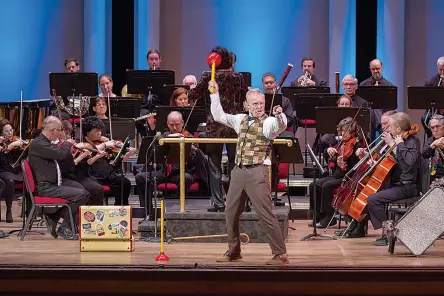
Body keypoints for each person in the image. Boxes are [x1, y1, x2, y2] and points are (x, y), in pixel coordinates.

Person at [209, 80, 289, 265]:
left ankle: (280, 254)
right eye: (255, 104)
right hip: (238, 171)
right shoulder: (240, 119)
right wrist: (215, 93)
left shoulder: (268, 122)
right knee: (230, 212)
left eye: (261, 103)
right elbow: (218, 115)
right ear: (247, 105)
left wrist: (279, 115)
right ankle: (234, 250)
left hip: (257, 171)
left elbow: (280, 126)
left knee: (265, 213)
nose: (259, 107)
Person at [188, 46, 248, 212]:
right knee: (235, 165)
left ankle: (218, 203)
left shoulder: (208, 76)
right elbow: (245, 97)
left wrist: (194, 89)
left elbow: (193, 96)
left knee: (214, 165)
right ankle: (236, 202)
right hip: (234, 126)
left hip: (214, 126)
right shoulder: (238, 77)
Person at [346, 112, 420, 246]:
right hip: (395, 183)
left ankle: (389, 232)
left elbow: (409, 164)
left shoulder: (411, 141)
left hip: (407, 186)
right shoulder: (399, 140)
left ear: (398, 129)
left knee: (373, 199)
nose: (388, 129)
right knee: (364, 194)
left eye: (390, 126)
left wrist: (397, 145)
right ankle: (365, 224)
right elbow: (393, 162)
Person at [135, 111, 208, 217]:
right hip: (164, 172)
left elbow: (194, 161)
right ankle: (148, 213)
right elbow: (153, 152)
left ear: (182, 123)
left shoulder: (189, 137)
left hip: (182, 172)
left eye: (177, 124)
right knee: (140, 177)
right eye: (171, 124)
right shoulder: (163, 136)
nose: (174, 127)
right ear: (168, 124)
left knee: (185, 178)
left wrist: (190, 148)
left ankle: (178, 211)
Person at [28, 116, 90, 240]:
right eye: (60, 130)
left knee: (83, 192)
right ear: (52, 129)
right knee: (81, 195)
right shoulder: (39, 143)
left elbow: (65, 160)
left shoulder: (45, 143)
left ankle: (55, 216)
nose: (61, 133)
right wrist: (67, 143)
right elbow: (60, 154)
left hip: (53, 184)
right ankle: (64, 227)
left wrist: (72, 149)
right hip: (45, 187)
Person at [309, 117, 362, 228]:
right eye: (342, 130)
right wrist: (328, 151)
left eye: (346, 131)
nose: (343, 133)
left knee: (326, 186)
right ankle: (318, 215)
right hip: (337, 175)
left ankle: (330, 216)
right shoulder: (342, 143)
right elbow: (331, 158)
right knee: (313, 185)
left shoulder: (357, 145)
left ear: (353, 131)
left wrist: (341, 161)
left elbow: (355, 167)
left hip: (348, 178)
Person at [81, 116, 135, 206]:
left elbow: (115, 159)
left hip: (106, 175)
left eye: (100, 131)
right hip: (92, 176)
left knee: (125, 183)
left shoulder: (101, 142)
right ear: (87, 132)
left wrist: (127, 153)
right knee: (97, 189)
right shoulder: (83, 144)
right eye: (95, 131)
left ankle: (119, 209)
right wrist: (105, 145)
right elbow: (90, 151)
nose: (99, 134)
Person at [0, 119, 25, 223]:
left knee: (25, 178)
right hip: (2, 170)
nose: (10, 133)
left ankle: (12, 211)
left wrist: (23, 146)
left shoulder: (15, 141)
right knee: (10, 180)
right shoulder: (2, 144)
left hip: (12, 170)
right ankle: (9, 211)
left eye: (11, 130)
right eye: (6, 131)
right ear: (1, 133)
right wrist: (8, 147)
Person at [422, 114, 444, 186]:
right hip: (433, 176)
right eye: (432, 128)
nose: (435, 130)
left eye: (438, 126)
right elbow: (424, 155)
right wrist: (433, 145)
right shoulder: (430, 140)